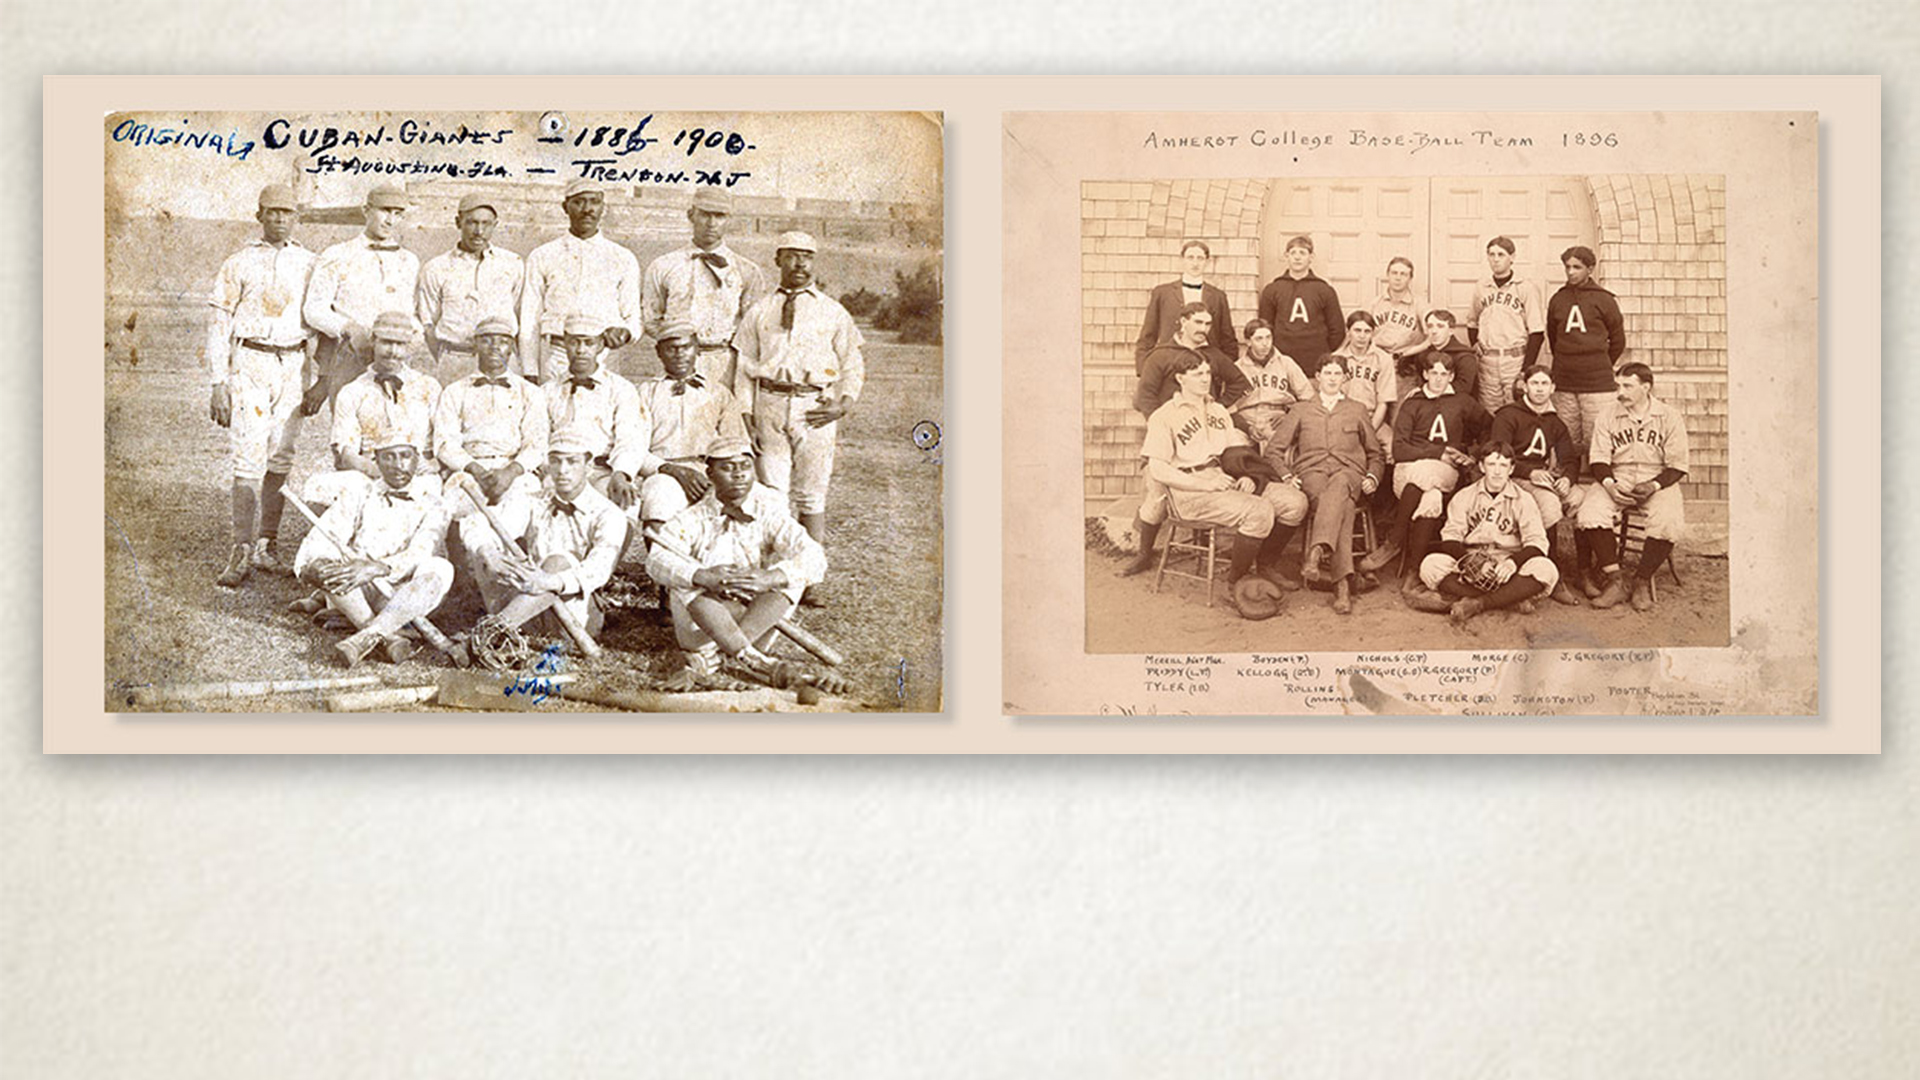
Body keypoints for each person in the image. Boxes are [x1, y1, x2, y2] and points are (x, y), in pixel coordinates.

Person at [646, 434, 843, 693]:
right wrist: (703, 576)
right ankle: (753, 660)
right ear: (710, 474)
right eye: (727, 467)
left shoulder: (768, 513)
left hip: (755, 623)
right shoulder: (691, 518)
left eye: (745, 466)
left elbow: (815, 557)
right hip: (702, 629)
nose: (738, 474)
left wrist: (770, 578)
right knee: (683, 578)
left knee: (792, 575)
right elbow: (655, 561)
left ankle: (731, 655)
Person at [732, 230, 864, 601]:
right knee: (772, 495)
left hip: (814, 408)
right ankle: (772, 576)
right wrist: (747, 416)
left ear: (814, 261)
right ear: (778, 260)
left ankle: (809, 578)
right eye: (791, 256)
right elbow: (743, 368)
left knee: (811, 496)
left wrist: (843, 403)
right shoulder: (760, 310)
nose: (799, 264)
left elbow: (852, 363)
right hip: (770, 404)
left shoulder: (832, 311)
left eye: (806, 256)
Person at [1114, 351, 1308, 597]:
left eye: (1207, 373)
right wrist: (1203, 485)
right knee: (1259, 511)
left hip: (1223, 480)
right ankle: (1237, 583)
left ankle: (1265, 565)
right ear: (1180, 379)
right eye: (1198, 374)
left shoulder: (1218, 410)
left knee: (1295, 503)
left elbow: (1234, 453)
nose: (1206, 379)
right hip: (1188, 491)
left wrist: (1247, 476)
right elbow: (1158, 469)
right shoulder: (1164, 416)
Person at [205, 182, 318, 586]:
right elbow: (219, 325)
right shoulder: (239, 262)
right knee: (248, 456)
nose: (280, 219)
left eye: (287, 212)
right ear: (260, 215)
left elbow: (321, 318)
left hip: (294, 363)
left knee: (281, 456)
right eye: (273, 212)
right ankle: (241, 548)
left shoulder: (310, 263)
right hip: (251, 361)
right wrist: (219, 382)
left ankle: (267, 544)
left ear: (297, 217)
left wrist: (318, 377)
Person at [291, 431, 454, 668]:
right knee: (327, 562)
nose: (398, 465)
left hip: (407, 593)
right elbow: (323, 536)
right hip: (358, 588)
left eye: (405, 456)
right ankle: (387, 636)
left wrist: (379, 568)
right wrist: (316, 564)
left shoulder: (436, 503)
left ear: (417, 459)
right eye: (389, 457)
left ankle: (363, 633)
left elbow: (421, 552)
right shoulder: (360, 492)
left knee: (440, 567)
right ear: (376, 459)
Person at [459, 426, 628, 640]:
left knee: (558, 561)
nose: (562, 470)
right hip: (527, 605)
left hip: (573, 617)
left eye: (572, 461)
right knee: (485, 547)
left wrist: (549, 581)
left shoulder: (608, 513)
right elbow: (474, 523)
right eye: (555, 461)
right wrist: (489, 553)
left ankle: (490, 634)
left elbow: (599, 568)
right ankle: (503, 627)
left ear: (588, 466)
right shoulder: (534, 501)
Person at [1263, 354, 1384, 614]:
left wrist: (1372, 477)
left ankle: (1317, 551)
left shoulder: (1357, 409)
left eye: (1337, 374)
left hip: (1350, 474)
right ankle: (1342, 586)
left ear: (1345, 378)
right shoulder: (1301, 410)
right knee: (1343, 506)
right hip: (1313, 475)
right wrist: (1287, 476)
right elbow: (1273, 450)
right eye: (1327, 373)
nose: (1332, 378)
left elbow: (1376, 453)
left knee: (1340, 483)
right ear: (1317, 377)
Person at [433, 314, 549, 579]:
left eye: (502, 341)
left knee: (526, 502)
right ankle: (464, 578)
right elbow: (444, 442)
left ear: (513, 348)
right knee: (453, 505)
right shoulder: (454, 391)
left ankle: (523, 574)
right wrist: (475, 469)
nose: (495, 347)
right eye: (486, 340)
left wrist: (509, 472)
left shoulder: (530, 392)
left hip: (515, 469)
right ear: (475, 345)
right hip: (469, 469)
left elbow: (536, 443)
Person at [1361, 349, 1491, 582]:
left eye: (1444, 374)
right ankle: (1414, 572)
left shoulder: (1462, 401)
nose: (1439, 379)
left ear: (1451, 376)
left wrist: (1472, 454)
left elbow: (1490, 426)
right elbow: (1399, 451)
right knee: (1431, 497)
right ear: (1425, 374)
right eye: (1434, 373)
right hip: (1408, 472)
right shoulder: (1413, 404)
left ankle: (1394, 541)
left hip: (1446, 471)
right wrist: (1438, 453)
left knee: (1428, 475)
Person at [1575, 363, 1689, 612]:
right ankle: (1617, 580)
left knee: (1668, 521)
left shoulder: (1669, 416)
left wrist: (1654, 485)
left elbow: (1678, 466)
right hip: (1619, 474)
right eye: (1619, 385)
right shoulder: (1608, 414)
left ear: (1646, 387)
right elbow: (1599, 459)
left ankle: (1641, 580)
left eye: (1628, 386)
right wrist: (1609, 484)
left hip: (1657, 477)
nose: (1621, 392)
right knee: (1590, 512)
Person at [1408, 441, 1560, 627]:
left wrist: (1513, 563)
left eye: (1503, 465)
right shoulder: (1465, 496)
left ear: (1511, 469)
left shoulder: (1524, 499)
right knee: (1430, 565)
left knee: (1546, 569)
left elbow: (1537, 543)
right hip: (1472, 561)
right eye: (1491, 464)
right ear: (1481, 466)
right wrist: (1471, 563)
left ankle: (1478, 603)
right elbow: (1450, 539)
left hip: (1507, 565)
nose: (1497, 471)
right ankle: (1509, 599)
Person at [301, 183, 420, 412]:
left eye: (398, 214)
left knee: (395, 423)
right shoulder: (337, 254)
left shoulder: (409, 261)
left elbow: (411, 310)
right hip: (351, 356)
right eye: (384, 211)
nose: (390, 220)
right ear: (366, 210)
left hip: (396, 358)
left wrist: (414, 337)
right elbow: (314, 309)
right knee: (349, 426)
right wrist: (348, 328)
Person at [631, 321, 749, 547]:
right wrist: (672, 470)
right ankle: (661, 566)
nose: (679, 354)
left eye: (686, 347)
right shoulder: (644, 393)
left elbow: (736, 444)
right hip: (665, 471)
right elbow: (633, 448)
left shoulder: (718, 392)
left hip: (710, 474)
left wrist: (718, 477)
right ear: (659, 352)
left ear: (697, 350)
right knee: (657, 495)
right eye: (671, 348)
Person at [641, 187, 769, 390]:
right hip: (677, 362)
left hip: (725, 364)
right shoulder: (663, 266)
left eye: (719, 216)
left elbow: (752, 327)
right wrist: (677, 346)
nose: (711, 223)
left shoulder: (746, 270)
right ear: (691, 215)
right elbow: (651, 319)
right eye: (705, 215)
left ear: (729, 220)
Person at [520, 179, 642, 384]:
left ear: (603, 208)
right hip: (556, 355)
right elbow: (530, 317)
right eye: (578, 202)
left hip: (604, 355)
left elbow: (633, 316)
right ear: (565, 207)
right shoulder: (543, 255)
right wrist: (529, 370)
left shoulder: (623, 257)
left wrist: (626, 333)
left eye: (594, 202)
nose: (587, 209)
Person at [1488, 364, 1586, 605]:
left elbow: (1569, 459)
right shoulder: (1508, 415)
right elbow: (1498, 456)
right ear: (1525, 386)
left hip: (1544, 477)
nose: (1539, 389)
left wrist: (1567, 479)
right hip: (1514, 476)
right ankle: (1552, 571)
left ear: (1552, 388)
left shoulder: (1555, 422)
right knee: (1549, 503)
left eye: (1544, 384)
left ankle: (1585, 571)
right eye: (1534, 383)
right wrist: (1529, 472)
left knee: (1581, 499)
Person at [542, 313, 646, 514]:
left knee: (621, 504)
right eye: (574, 342)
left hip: (602, 471)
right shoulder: (547, 391)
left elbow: (630, 438)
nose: (581, 350)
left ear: (600, 346)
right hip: (560, 471)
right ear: (565, 343)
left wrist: (621, 473)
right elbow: (539, 438)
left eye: (588, 343)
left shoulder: (621, 388)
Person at [414, 193, 524, 383]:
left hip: (502, 361)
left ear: (495, 225)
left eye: (486, 224)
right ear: (458, 222)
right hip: (456, 360)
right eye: (472, 222)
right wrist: (447, 358)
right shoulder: (436, 267)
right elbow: (428, 322)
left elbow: (519, 311)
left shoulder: (512, 263)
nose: (479, 231)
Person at [330, 311, 441, 482]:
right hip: (372, 474)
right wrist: (381, 473)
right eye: (386, 342)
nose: (393, 352)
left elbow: (445, 440)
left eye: (400, 344)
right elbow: (347, 452)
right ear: (373, 341)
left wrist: (435, 464)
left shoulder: (428, 386)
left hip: (421, 476)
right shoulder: (352, 392)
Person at [1545, 245, 1627, 471]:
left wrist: (1599, 364)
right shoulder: (1558, 299)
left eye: (1577, 267)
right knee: (1566, 437)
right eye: (1567, 267)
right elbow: (1553, 338)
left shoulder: (1605, 299)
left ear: (1590, 269)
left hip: (1597, 384)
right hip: (1565, 381)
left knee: (1598, 437)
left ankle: (1599, 480)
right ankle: (1568, 479)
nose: (1571, 272)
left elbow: (1618, 341)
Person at [1466, 236, 1547, 416]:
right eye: (1491, 254)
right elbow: (1472, 322)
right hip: (1488, 361)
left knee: (1517, 412)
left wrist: (1526, 370)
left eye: (1501, 254)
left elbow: (1537, 332)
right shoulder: (1482, 286)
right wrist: (1476, 345)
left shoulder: (1525, 287)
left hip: (1514, 359)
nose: (1495, 259)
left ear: (1512, 257)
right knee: (1489, 413)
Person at [1134, 239, 1237, 370]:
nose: (1195, 263)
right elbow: (1148, 335)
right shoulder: (1162, 293)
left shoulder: (1218, 296)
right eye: (1190, 257)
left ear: (1207, 262)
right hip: (1170, 364)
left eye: (1200, 258)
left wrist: (1224, 370)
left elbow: (1227, 339)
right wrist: (1143, 369)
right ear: (1182, 260)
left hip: (1206, 366)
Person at [1132, 302, 1249, 417]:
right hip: (1171, 421)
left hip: (1204, 421)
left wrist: (1217, 407)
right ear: (1184, 321)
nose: (1203, 329)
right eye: (1198, 322)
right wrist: (1159, 420)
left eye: (1208, 324)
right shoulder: (1161, 355)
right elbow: (1145, 395)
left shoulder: (1214, 355)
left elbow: (1239, 382)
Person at [1256, 235, 1344, 369]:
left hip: (1315, 361)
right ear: (1286, 256)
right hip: (1281, 361)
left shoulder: (1324, 290)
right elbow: (1265, 327)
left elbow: (1337, 329)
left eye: (1302, 253)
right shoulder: (1272, 289)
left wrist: (1322, 352)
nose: (1297, 257)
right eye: (1293, 253)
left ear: (1311, 257)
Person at [1225, 317, 1311, 450]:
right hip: (1246, 420)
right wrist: (1247, 428)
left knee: (1280, 449)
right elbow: (1227, 408)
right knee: (1232, 451)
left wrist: (1290, 416)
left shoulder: (1286, 363)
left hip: (1277, 418)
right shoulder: (1237, 368)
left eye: (1268, 338)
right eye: (1259, 339)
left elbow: (1309, 398)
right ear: (1248, 341)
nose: (1265, 343)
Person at [1330, 310, 1397, 457]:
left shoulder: (1383, 359)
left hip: (1372, 418)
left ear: (1373, 333)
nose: (1362, 336)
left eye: (1367, 331)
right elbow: (1330, 399)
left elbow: (1383, 403)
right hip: (1342, 419)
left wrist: (1369, 430)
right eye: (1357, 330)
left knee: (1392, 447)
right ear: (1348, 331)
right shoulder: (1336, 358)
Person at [1401, 308, 1480, 404]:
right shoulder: (1423, 355)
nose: (1434, 331)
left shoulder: (1465, 357)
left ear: (1451, 331)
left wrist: (1426, 390)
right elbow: (1422, 380)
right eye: (1430, 326)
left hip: (1458, 404)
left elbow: (1463, 388)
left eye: (1440, 326)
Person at [1369, 256, 1427, 364]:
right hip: (1378, 359)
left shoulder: (1420, 304)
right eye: (1394, 273)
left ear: (1410, 278)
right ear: (1388, 275)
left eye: (1403, 274)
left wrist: (1410, 352)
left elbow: (1431, 337)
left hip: (1408, 360)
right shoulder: (1374, 304)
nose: (1398, 278)